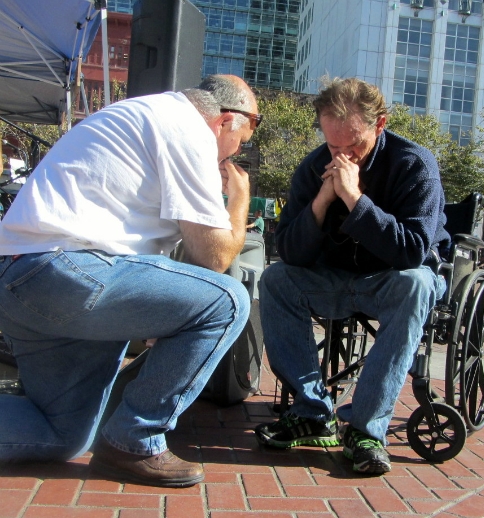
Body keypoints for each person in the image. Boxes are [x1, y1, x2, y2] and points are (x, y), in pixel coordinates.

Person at [0, 74, 262, 487]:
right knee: (227, 300)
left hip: (25, 275)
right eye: (243, 139)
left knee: (62, 434)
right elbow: (212, 258)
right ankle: (135, 439)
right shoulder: (189, 128)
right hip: (65, 270)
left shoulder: (148, 116)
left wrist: (163, 314)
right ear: (226, 121)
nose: (237, 151)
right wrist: (240, 199)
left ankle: (118, 437)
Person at [255, 77, 450, 475]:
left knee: (415, 284)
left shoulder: (414, 164)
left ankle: (365, 429)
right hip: (336, 278)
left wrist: (355, 200)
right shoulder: (313, 168)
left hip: (392, 281)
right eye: (333, 147)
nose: (344, 157)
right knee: (276, 280)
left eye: (354, 146)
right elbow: (290, 251)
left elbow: (412, 251)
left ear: (380, 125)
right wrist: (322, 202)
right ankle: (312, 412)